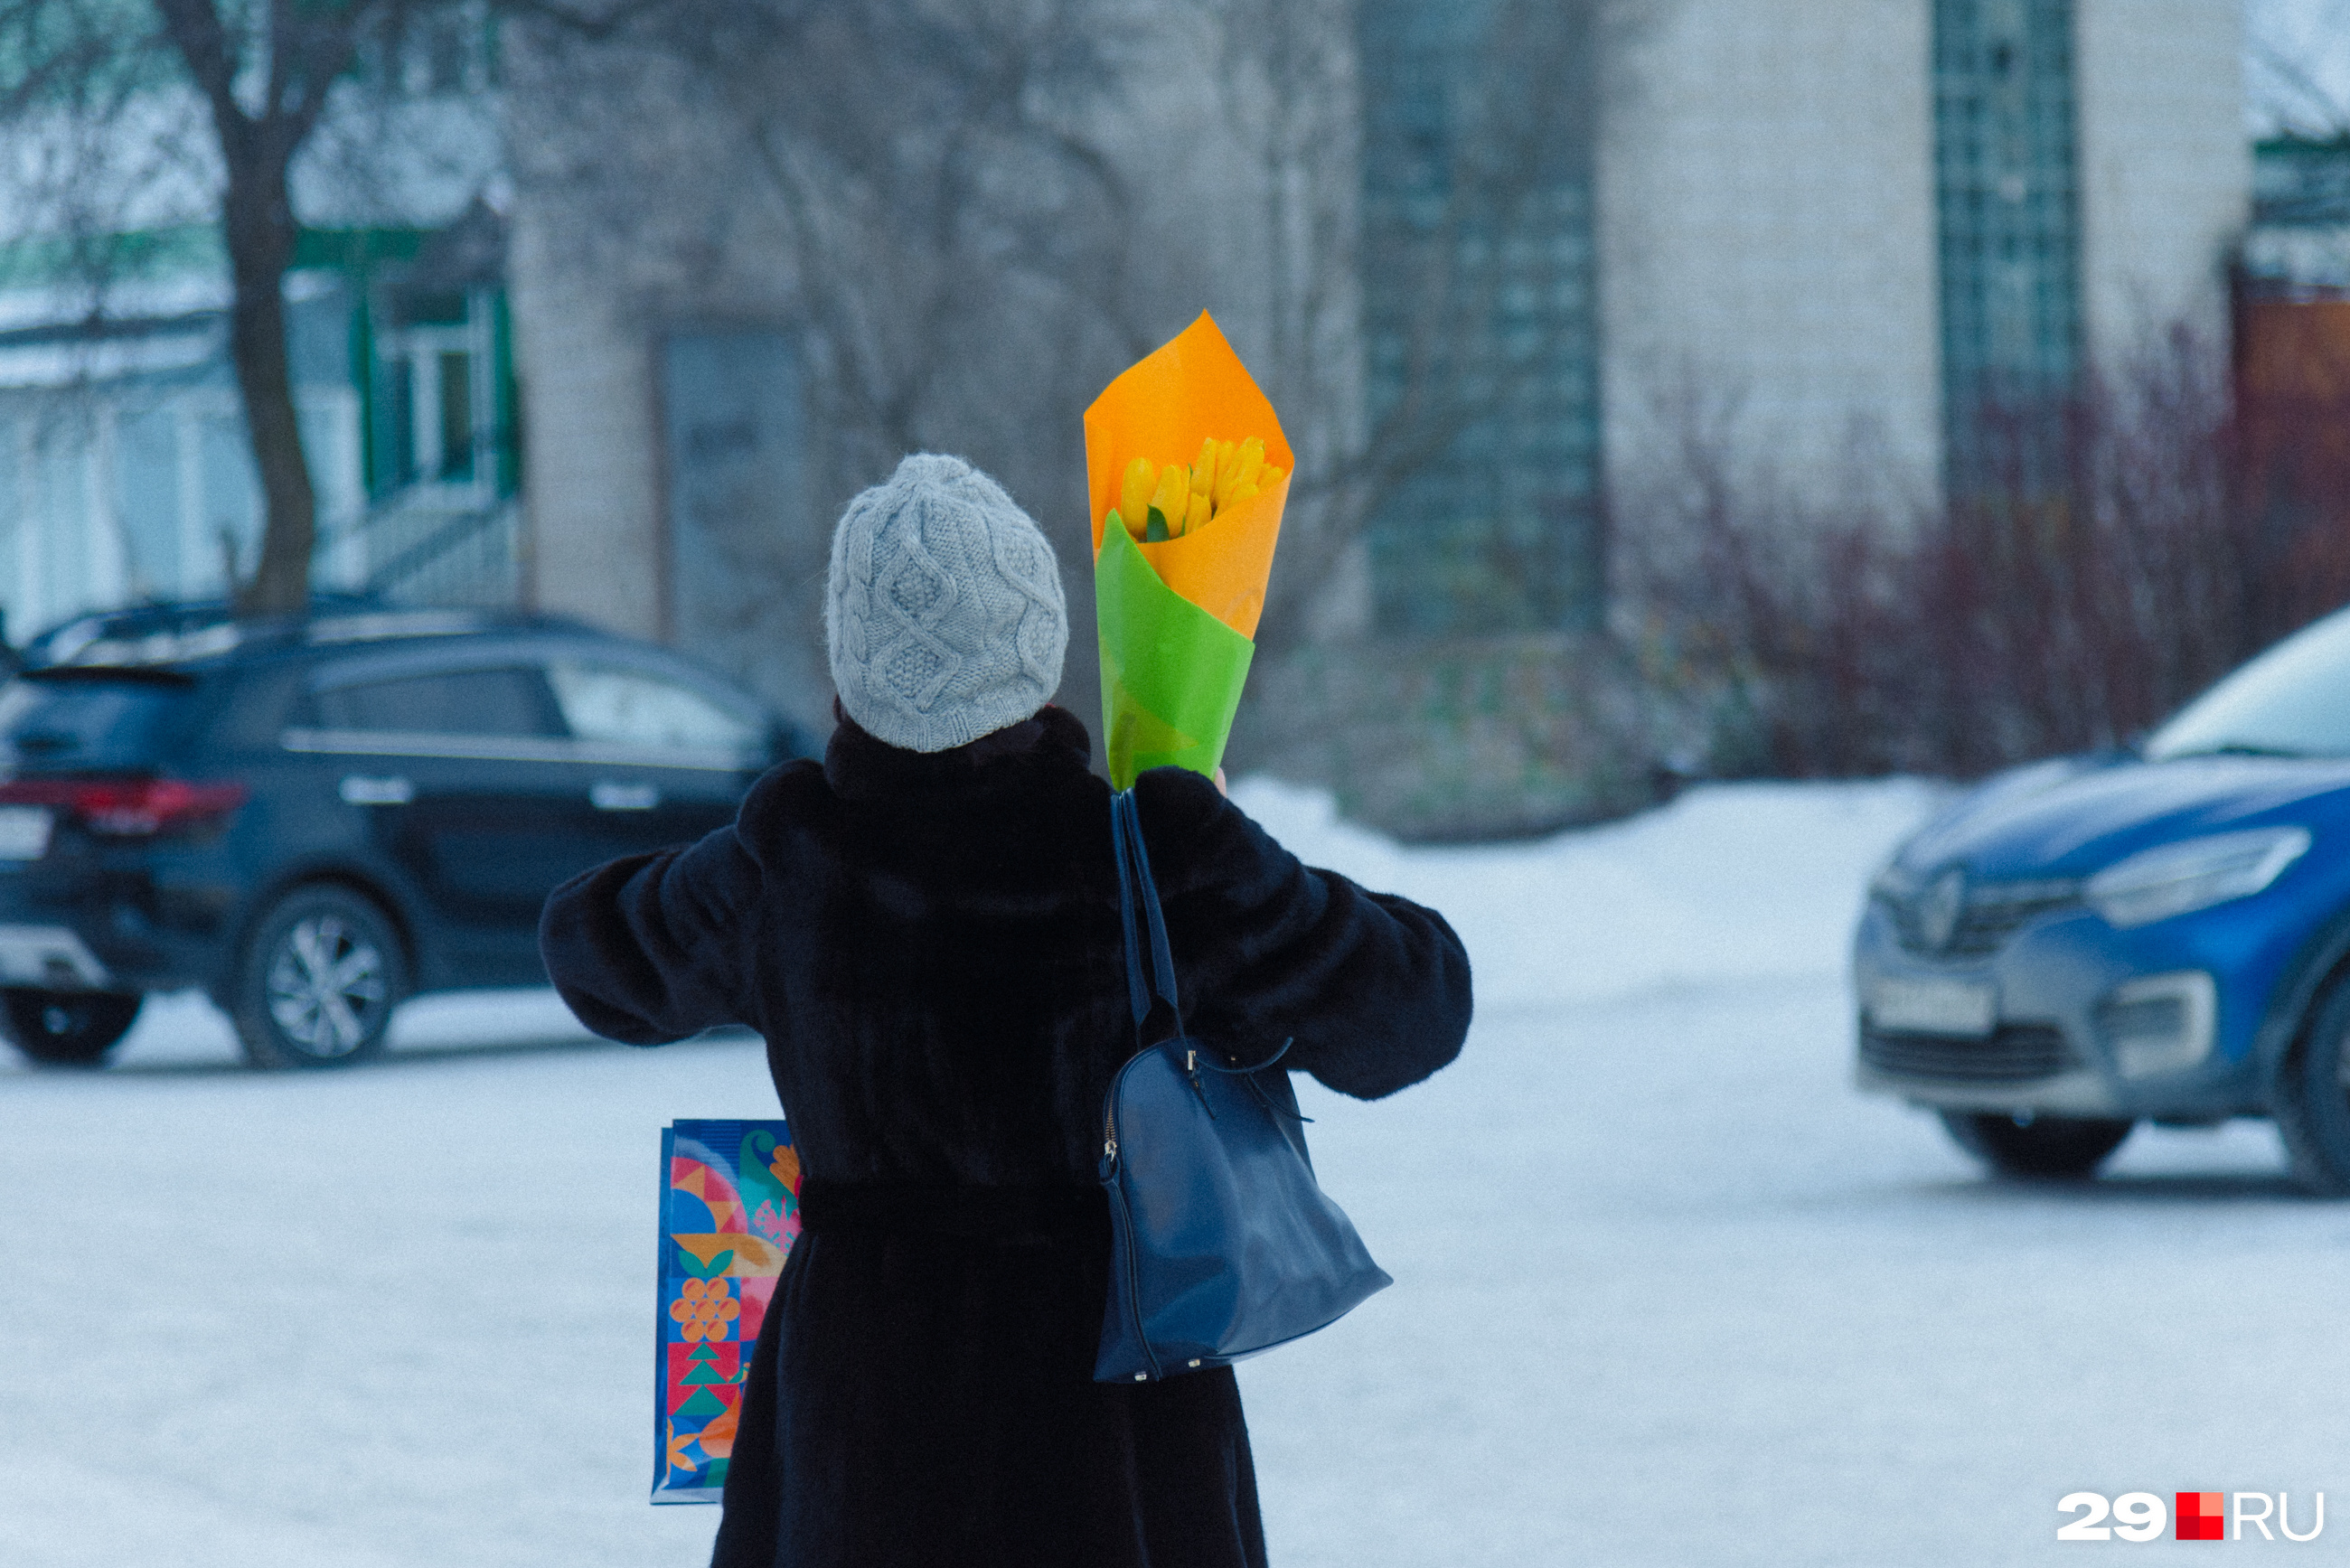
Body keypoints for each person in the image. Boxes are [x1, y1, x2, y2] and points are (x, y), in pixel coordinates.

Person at [540, 453, 1472, 1568]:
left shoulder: (788, 861)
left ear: (849, 672)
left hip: (863, 1424)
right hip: (1110, 1414)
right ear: (1040, 656)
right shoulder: (1149, 855)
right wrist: (1219, 836)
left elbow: (593, 955)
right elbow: (1416, 1007)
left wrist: (745, 849)